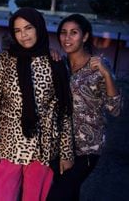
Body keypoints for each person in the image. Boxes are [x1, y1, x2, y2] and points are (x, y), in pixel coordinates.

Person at [0, 7, 74, 201]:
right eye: (18, 30)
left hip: (43, 147)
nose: (23, 35)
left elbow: (63, 111)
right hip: (8, 145)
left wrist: (66, 152)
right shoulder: (3, 61)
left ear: (38, 28)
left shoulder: (55, 62)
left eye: (28, 28)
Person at [47, 14, 122, 201]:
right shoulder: (60, 64)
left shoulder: (98, 65)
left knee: (60, 192)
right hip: (60, 143)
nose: (67, 38)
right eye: (63, 33)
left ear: (85, 36)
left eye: (74, 33)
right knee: (69, 192)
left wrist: (107, 75)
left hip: (88, 146)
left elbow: (116, 109)